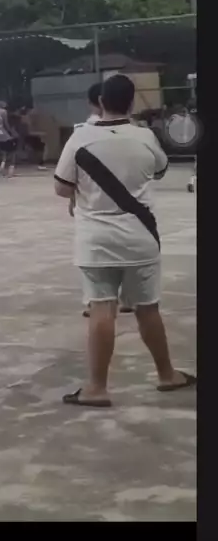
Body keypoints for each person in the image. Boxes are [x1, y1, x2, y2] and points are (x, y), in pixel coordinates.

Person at [54, 74, 196, 407]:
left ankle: (97, 388)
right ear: (131, 103)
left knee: (102, 308)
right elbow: (159, 170)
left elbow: (61, 187)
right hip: (140, 237)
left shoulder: (80, 138)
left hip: (96, 240)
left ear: (100, 102)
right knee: (148, 309)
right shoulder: (145, 137)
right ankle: (167, 375)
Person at [71, 83, 133, 317]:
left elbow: (69, 176)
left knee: (94, 257)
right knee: (127, 251)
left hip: (94, 207)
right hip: (128, 206)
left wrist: (72, 198)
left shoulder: (82, 132)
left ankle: (94, 300)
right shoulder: (134, 131)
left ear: (95, 102)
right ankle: (128, 298)